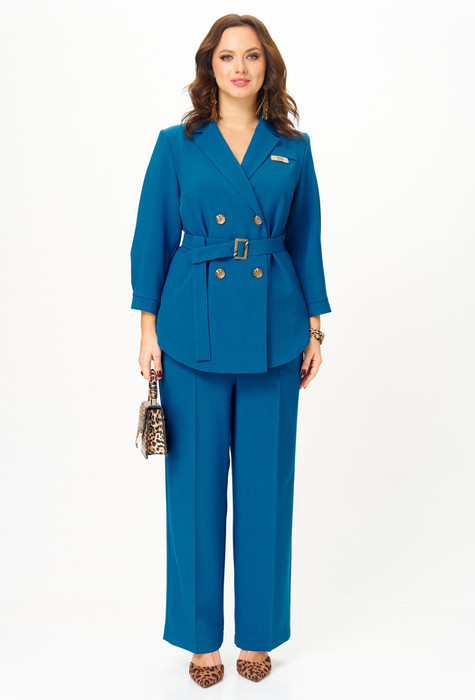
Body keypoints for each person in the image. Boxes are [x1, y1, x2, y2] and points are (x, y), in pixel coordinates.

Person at [130, 13, 332, 688]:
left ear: (267, 66)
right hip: (193, 332)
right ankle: (199, 640)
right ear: (208, 66)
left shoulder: (292, 147)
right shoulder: (176, 144)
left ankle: (258, 634)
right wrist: (147, 330)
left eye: (251, 56)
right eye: (226, 56)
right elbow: (152, 238)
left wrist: (315, 329)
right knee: (192, 492)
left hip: (276, 332)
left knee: (266, 490)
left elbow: (306, 241)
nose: (239, 67)